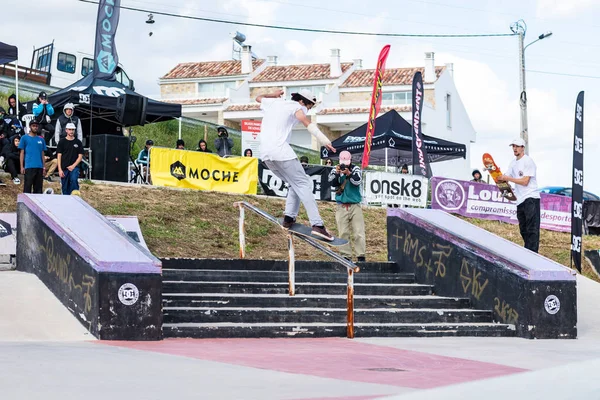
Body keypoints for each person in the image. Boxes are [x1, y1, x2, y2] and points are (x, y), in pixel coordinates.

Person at [256, 88, 336, 240]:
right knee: (303, 182)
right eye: (309, 107)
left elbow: (258, 98)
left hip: (266, 155)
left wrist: (272, 94)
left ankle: (288, 219)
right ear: (301, 101)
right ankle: (318, 225)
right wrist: (325, 140)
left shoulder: (274, 103)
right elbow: (307, 123)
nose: (307, 110)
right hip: (281, 151)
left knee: (294, 183)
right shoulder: (297, 107)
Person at [498, 138, 541, 253]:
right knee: (523, 229)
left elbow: (525, 181)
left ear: (523, 148)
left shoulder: (528, 161)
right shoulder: (513, 163)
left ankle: (532, 254)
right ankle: (528, 252)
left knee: (532, 228)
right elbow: (506, 178)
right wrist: (500, 177)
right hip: (520, 200)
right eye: (513, 146)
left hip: (531, 197)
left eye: (517, 146)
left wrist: (508, 178)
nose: (515, 149)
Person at [328, 151, 366, 262]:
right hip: (341, 205)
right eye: (343, 163)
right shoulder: (335, 169)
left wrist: (349, 173)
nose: (345, 165)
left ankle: (361, 256)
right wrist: (337, 173)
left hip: (355, 205)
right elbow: (331, 182)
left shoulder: (356, 169)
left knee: (359, 231)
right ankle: (346, 256)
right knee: (343, 232)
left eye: (347, 162)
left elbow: (357, 181)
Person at [18, 120, 47, 194]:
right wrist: (22, 166)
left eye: (36, 126)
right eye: (33, 126)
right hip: (29, 166)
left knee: (38, 190)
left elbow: (42, 154)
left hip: (39, 167)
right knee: (27, 189)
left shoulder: (41, 139)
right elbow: (22, 153)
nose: (35, 127)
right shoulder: (24, 138)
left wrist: (44, 167)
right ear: (30, 127)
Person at [56, 123, 84, 195]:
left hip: (74, 167)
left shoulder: (78, 142)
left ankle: (76, 197)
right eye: (70, 129)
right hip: (64, 168)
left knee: (74, 180)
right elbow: (59, 156)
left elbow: (80, 156)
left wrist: (73, 166)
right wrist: (59, 169)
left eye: (73, 130)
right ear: (66, 130)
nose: (71, 131)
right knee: (65, 187)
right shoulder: (62, 142)